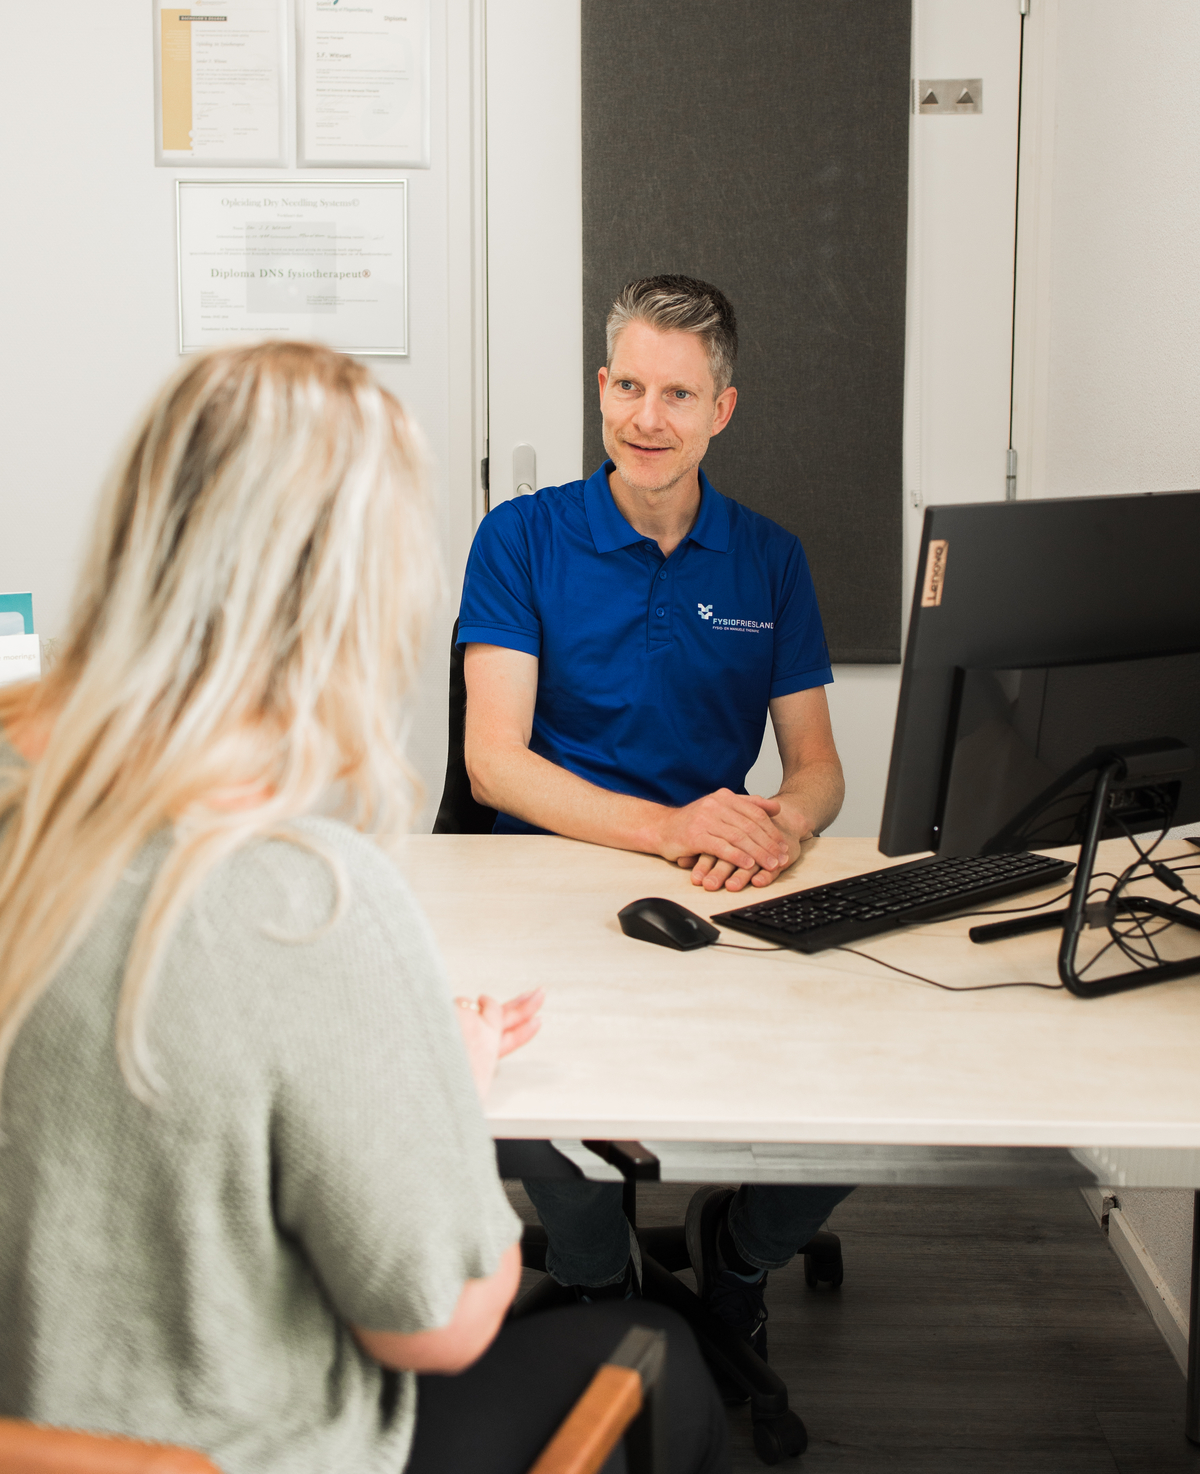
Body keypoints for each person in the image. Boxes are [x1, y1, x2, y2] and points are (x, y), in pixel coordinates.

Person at [0, 342, 728, 1474]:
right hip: (235, 1453)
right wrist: (451, 1092)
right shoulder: (309, 896)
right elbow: (435, 1321)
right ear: (357, 589)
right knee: (661, 1352)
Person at [457, 275, 854, 1353]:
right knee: (522, 1075)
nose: (647, 417)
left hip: (714, 883)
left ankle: (742, 1250)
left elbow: (818, 768)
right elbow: (493, 764)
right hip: (547, 878)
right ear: (601, 389)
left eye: (678, 394)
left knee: (876, 1066)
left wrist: (783, 824)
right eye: (628, 386)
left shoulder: (769, 557)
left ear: (722, 409)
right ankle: (596, 1275)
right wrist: (668, 826)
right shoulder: (520, 537)